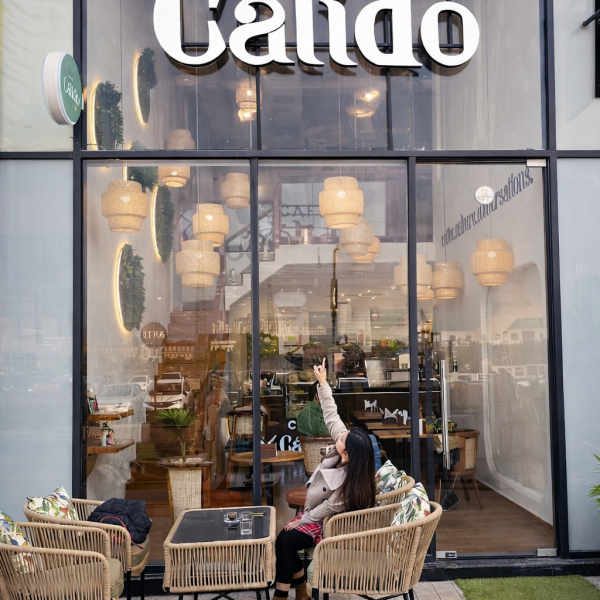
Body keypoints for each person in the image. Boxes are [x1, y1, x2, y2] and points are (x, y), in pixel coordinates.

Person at [273, 359, 376, 600]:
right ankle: (300, 592)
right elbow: (331, 414)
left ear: (347, 454)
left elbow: (326, 510)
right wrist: (322, 383)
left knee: (285, 541)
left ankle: (282, 595)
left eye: (342, 439)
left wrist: (301, 520)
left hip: (328, 524)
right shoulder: (346, 452)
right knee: (283, 540)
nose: (340, 435)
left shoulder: (348, 485)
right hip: (317, 512)